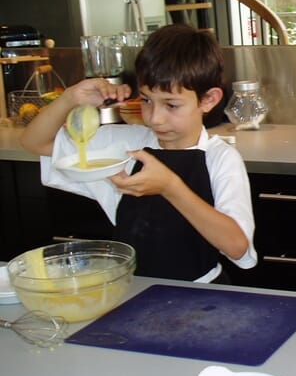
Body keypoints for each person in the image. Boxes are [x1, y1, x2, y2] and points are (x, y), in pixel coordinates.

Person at [20, 24, 257, 283]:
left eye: (171, 104)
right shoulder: (126, 144)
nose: (155, 118)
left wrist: (170, 187)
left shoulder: (221, 159)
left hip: (201, 294)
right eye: (146, 100)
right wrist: (70, 98)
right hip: (133, 290)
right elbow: (35, 142)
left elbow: (238, 247)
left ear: (208, 100)